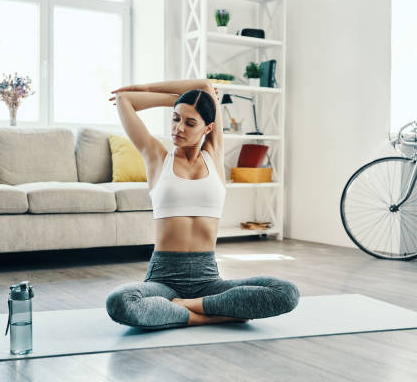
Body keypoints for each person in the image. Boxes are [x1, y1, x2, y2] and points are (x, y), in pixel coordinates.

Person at [104, 79, 299, 330]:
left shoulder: (214, 154)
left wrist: (189, 97)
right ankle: (213, 314)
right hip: (163, 279)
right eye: (175, 118)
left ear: (208, 128)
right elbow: (124, 100)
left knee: (286, 292)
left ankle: (183, 307)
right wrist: (170, 98)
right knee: (121, 302)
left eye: (190, 122)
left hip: (208, 279)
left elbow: (206, 86)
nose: (178, 128)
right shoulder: (156, 156)